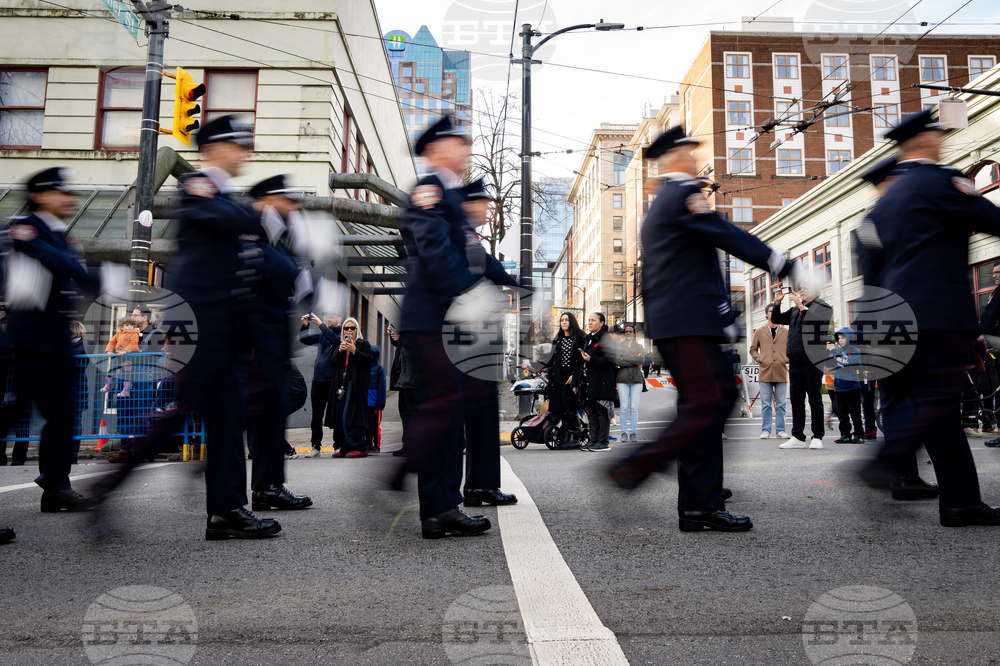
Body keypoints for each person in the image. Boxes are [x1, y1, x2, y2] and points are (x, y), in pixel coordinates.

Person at [93, 117, 281, 539]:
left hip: (224, 329)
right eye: (237, 145)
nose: (244, 152)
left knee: (228, 416)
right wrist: (258, 219)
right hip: (196, 328)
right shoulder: (199, 188)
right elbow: (221, 217)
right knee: (178, 417)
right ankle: (108, 487)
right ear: (214, 148)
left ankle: (226, 511)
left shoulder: (226, 197)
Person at [606, 126, 797, 532]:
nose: (695, 159)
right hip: (687, 323)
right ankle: (638, 468)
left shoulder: (667, 200)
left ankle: (700, 500)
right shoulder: (680, 194)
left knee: (713, 403)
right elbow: (725, 234)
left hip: (689, 322)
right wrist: (784, 264)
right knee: (706, 403)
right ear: (674, 157)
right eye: (689, 153)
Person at [856, 109, 1000, 523]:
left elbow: (873, 272)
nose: (941, 139)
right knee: (938, 398)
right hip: (936, 312)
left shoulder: (879, 211)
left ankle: (961, 501)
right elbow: (990, 218)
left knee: (931, 403)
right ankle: (887, 461)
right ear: (923, 141)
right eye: (936, 134)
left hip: (894, 316)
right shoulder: (939, 180)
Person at [394, 115, 491, 538]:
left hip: (449, 319)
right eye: (458, 142)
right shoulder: (428, 190)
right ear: (436, 149)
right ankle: (397, 473)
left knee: (452, 414)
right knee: (445, 403)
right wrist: (466, 293)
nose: (466, 148)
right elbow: (434, 251)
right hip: (431, 318)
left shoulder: (450, 195)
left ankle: (440, 508)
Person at [5, 167, 103, 511]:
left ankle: (56, 487)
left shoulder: (60, 232)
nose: (67, 198)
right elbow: (53, 260)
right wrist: (98, 275)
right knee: (15, 414)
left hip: (56, 341)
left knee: (64, 416)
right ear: (39, 196)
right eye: (58, 192)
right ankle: (56, 485)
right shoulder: (26, 227)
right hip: (31, 340)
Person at [242, 174, 313, 511]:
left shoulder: (278, 237)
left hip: (272, 345)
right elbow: (282, 274)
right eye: (286, 201)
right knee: (249, 412)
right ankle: (264, 487)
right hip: (252, 343)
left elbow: (299, 284)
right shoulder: (252, 231)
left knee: (272, 413)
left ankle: (269, 486)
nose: (292, 207)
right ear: (268, 202)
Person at [456, 177, 519, 507]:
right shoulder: (457, 232)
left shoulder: (473, 238)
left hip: (479, 340)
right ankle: (471, 486)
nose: (489, 209)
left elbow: (494, 271)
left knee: (483, 412)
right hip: (464, 339)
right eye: (484, 203)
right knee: (461, 414)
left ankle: (482, 485)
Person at [771, 283, 833, 450]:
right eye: (800, 287)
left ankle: (817, 436)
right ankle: (798, 436)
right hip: (795, 361)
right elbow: (775, 319)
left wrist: (801, 306)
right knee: (796, 400)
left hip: (813, 360)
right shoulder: (794, 311)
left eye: (806, 287)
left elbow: (818, 324)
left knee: (814, 399)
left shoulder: (823, 307)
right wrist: (777, 302)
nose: (802, 290)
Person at [325, 317, 373, 458]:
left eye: (353, 328)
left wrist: (355, 351)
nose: (349, 330)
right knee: (339, 415)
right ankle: (344, 446)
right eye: (346, 328)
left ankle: (359, 446)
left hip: (355, 385)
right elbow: (332, 363)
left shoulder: (363, 344)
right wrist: (340, 351)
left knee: (350, 415)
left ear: (357, 330)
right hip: (341, 384)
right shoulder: (340, 344)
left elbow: (368, 360)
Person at [299, 311, 342, 457]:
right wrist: (305, 326)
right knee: (316, 416)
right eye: (326, 317)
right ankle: (316, 446)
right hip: (318, 380)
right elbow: (305, 340)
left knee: (336, 414)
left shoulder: (342, 333)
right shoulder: (324, 333)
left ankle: (338, 445)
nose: (328, 318)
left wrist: (322, 325)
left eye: (331, 316)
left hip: (333, 380)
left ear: (339, 319)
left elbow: (336, 341)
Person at [542, 312, 586, 449]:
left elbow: (581, 359)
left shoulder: (580, 337)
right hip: (559, 376)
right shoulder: (559, 338)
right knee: (561, 407)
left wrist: (575, 375)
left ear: (571, 322)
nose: (564, 322)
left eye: (566, 320)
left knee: (570, 407)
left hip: (573, 376)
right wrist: (535, 366)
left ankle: (577, 435)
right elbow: (550, 359)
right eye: (562, 320)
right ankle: (566, 436)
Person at [748, 303, 789, 439]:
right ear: (766, 314)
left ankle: (780, 430)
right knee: (766, 404)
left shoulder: (785, 331)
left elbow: (791, 348)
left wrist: (785, 359)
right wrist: (761, 359)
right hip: (765, 371)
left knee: (781, 404)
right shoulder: (759, 331)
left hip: (781, 371)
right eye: (770, 311)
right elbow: (752, 349)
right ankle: (766, 430)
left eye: (774, 311)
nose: (772, 313)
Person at [580, 312, 617, 452]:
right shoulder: (588, 339)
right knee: (592, 413)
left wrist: (592, 360)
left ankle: (603, 442)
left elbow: (611, 360)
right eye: (588, 320)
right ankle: (594, 440)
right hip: (590, 381)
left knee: (602, 412)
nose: (589, 323)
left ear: (601, 323)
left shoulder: (605, 338)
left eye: (593, 320)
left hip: (602, 382)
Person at [827, 327, 864, 443]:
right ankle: (845, 434)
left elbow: (849, 362)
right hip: (839, 386)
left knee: (855, 413)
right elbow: (830, 363)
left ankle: (859, 435)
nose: (841, 340)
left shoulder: (855, 351)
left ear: (850, 338)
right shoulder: (837, 351)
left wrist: (835, 353)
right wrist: (830, 352)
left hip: (852, 386)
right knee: (842, 413)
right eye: (839, 338)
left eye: (843, 337)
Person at [68, 320, 93, 464]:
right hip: (63, 388)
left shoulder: (86, 343)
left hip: (77, 387)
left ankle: (72, 455)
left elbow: (78, 360)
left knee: (76, 422)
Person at [615, 323, 645, 443]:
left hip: (637, 380)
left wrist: (625, 358)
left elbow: (641, 359)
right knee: (623, 408)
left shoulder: (639, 346)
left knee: (634, 407)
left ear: (633, 333)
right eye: (626, 331)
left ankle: (632, 433)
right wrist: (633, 360)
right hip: (622, 379)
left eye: (630, 331)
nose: (628, 333)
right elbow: (618, 361)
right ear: (624, 333)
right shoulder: (619, 346)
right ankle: (623, 433)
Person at [366, 344, 386, 455]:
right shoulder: (365, 367)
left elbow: (382, 387)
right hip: (365, 403)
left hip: (375, 404)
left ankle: (376, 446)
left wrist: (381, 403)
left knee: (375, 426)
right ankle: (368, 445)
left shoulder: (379, 368)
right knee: (367, 426)